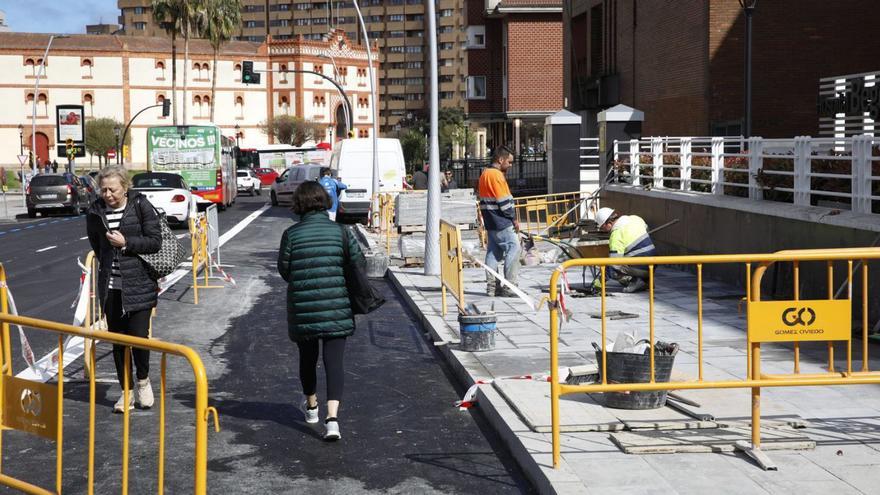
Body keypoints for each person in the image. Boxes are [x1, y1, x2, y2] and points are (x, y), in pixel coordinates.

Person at [277, 181, 364, 441]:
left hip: (304, 309)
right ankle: (333, 420)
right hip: (337, 304)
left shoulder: (291, 234)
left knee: (307, 358)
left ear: (299, 205)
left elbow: (284, 270)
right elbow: (358, 262)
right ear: (325, 200)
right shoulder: (341, 232)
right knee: (334, 362)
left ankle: (312, 407)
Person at [86, 165, 162, 413]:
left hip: (139, 284)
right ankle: (126, 391)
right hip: (111, 287)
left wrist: (126, 243)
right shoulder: (95, 211)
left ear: (125, 187)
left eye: (113, 189)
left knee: (138, 338)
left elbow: (155, 242)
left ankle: (143, 381)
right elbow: (97, 246)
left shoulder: (140, 205)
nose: (107, 195)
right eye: (103, 189)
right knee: (118, 343)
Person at [478, 146, 520, 297]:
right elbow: (504, 202)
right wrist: (513, 219)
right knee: (514, 249)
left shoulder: (485, 174)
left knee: (493, 253)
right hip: (502, 221)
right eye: (509, 162)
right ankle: (510, 287)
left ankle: (492, 288)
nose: (510, 165)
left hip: (490, 220)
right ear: (500, 160)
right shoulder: (496, 176)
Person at [593, 207, 657, 293]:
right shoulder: (634, 218)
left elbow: (614, 264)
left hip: (641, 267)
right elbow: (646, 229)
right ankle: (646, 280)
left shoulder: (616, 234)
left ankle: (636, 282)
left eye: (602, 227)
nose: (602, 230)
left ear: (608, 223)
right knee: (629, 256)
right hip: (653, 263)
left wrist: (601, 280)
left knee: (615, 269)